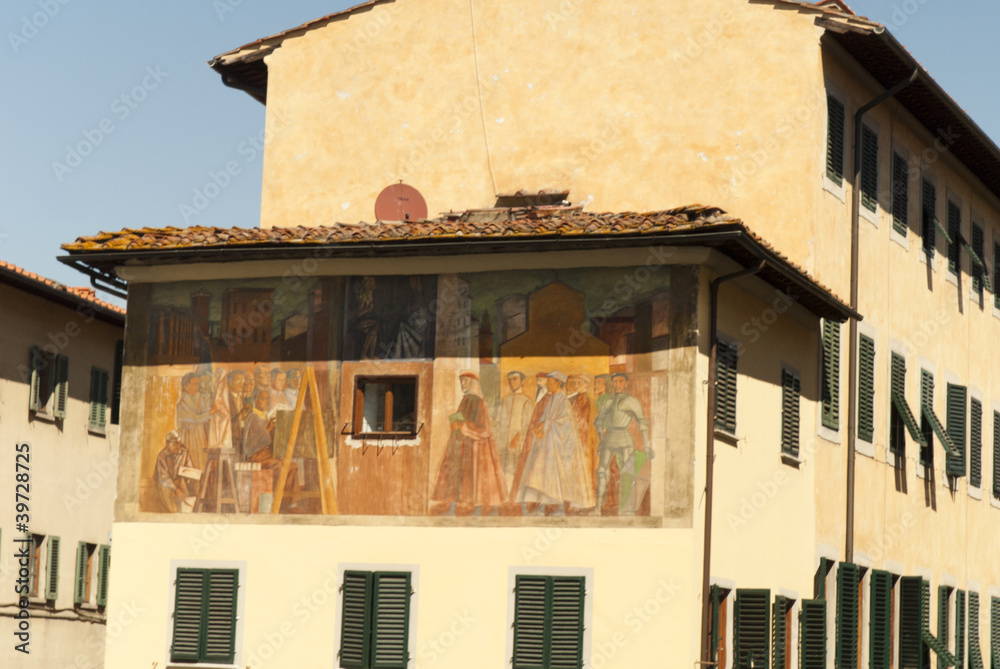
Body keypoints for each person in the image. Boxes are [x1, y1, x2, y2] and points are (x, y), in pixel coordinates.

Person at [516, 371, 596, 515]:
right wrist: (542, 426)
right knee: (543, 477)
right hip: (547, 445)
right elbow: (545, 419)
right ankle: (544, 506)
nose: (548, 385)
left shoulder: (563, 401)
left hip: (559, 448)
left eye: (550, 382)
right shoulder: (552, 399)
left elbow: (564, 425)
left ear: (558, 383)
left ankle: (556, 508)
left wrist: (545, 425)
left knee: (554, 479)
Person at [430, 371, 507, 516]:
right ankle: (454, 507)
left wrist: (462, 426)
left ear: (473, 383)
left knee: (477, 479)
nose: (463, 384)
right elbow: (461, 416)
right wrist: (454, 420)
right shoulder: (466, 400)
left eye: (465, 381)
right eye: (461, 381)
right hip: (463, 445)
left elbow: (484, 429)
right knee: (457, 477)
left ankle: (478, 509)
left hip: (477, 448)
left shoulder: (479, 402)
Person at [594, 373, 652, 514]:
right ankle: (598, 507)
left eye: (620, 381)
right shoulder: (607, 401)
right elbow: (598, 421)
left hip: (625, 438)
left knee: (628, 473)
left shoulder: (631, 401)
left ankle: (628, 509)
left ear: (626, 383)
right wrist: (601, 441)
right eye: (614, 381)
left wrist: (647, 446)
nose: (617, 384)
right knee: (602, 471)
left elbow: (642, 423)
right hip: (609, 438)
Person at [495, 371, 534, 484]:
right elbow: (498, 421)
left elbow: (530, 425)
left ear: (522, 381)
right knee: (504, 470)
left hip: (519, 442)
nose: (512, 382)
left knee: (517, 471)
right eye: (510, 380)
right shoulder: (505, 400)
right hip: (504, 440)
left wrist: (517, 437)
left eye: (515, 379)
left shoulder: (526, 401)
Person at [176, 372, 211, 468]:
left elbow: (207, 415)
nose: (198, 386)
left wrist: (209, 415)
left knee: (202, 461)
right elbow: (194, 419)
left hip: (201, 435)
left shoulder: (201, 398)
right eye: (195, 384)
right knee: (190, 461)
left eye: (198, 383)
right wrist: (209, 414)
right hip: (189, 436)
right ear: (186, 386)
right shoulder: (182, 401)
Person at [155, 430, 194, 513]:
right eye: (174, 444)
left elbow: (189, 468)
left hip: (179, 482)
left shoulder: (184, 453)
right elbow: (163, 478)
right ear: (167, 443)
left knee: (187, 509)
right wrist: (176, 490)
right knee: (172, 510)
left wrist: (190, 477)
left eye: (179, 443)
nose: (177, 446)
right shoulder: (162, 456)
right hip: (165, 485)